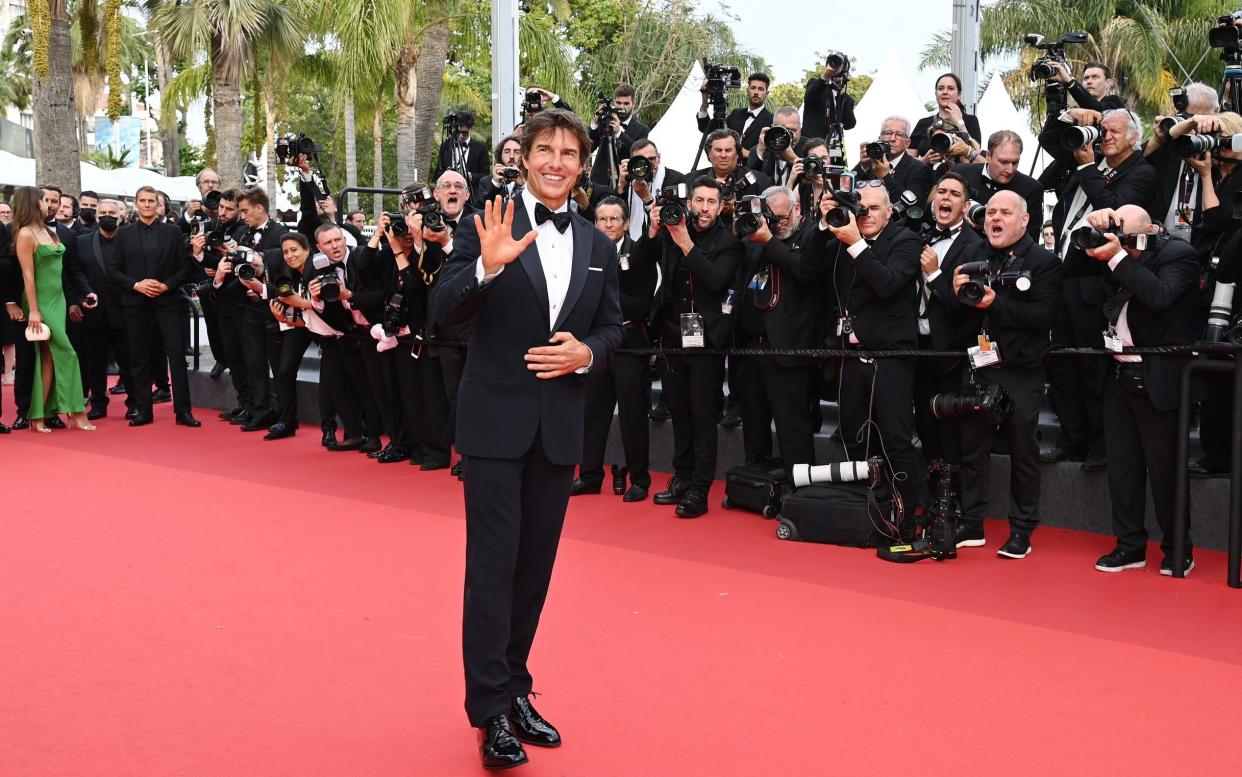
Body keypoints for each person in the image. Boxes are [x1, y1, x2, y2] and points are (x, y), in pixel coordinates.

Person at [428, 108, 623, 770]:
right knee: (492, 568)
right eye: (546, 149)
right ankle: (488, 710)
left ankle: (514, 687)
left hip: (558, 429)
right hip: (493, 424)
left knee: (533, 573)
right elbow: (441, 310)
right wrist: (483, 270)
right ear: (526, 156)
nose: (557, 161)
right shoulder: (490, 219)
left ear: (581, 163)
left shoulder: (599, 244)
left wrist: (587, 354)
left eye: (570, 152)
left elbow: (615, 327)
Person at [1063, 206, 1201, 575]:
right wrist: (1087, 230)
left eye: (1126, 233)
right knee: (1122, 471)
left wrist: (1119, 257)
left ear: (1150, 229)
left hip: (1159, 378)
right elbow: (1071, 268)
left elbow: (1158, 295)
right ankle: (1129, 546)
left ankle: (1177, 550)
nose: (1120, 240)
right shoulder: (1115, 252)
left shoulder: (1178, 255)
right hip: (1119, 376)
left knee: (1165, 471)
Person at [952, 191, 1062, 558]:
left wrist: (995, 303)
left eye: (1005, 213)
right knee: (972, 447)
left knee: (1023, 451)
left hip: (1021, 371)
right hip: (980, 366)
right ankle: (970, 523)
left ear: (1025, 220)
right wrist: (957, 295)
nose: (995, 219)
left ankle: (1022, 530)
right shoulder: (974, 257)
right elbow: (962, 316)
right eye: (991, 212)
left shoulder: (1044, 262)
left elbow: (1045, 317)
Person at [1044, 109, 1154, 470]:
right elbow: (1049, 143)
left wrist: (1089, 168)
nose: (1104, 136)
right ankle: (1071, 440)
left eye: (1113, 131)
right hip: (1063, 277)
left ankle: (1098, 446)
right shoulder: (1083, 164)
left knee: (1094, 368)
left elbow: (1112, 211)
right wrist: (1065, 116)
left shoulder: (1141, 173)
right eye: (1101, 130)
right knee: (1063, 364)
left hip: (1098, 280)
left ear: (1134, 137)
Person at [632, 177, 742, 517]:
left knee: (702, 415)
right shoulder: (671, 228)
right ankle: (682, 476)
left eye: (712, 202)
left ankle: (699, 489)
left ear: (721, 205)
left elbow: (714, 280)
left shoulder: (728, 242)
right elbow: (638, 264)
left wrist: (685, 242)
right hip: (671, 336)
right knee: (678, 411)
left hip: (707, 341)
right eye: (699, 201)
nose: (704, 208)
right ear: (690, 202)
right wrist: (652, 231)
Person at [735, 185, 826, 474]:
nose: (776, 222)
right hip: (752, 348)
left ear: (797, 209)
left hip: (791, 350)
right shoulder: (755, 239)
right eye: (770, 216)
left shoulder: (813, 235)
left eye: (782, 216)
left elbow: (803, 271)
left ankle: (799, 492)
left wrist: (769, 240)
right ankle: (758, 486)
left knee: (792, 428)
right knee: (754, 423)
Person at [573, 196, 656, 500]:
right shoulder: (584, 253)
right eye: (602, 220)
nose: (607, 225)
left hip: (629, 343)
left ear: (625, 223)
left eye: (613, 220)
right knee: (593, 412)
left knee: (633, 414)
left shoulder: (640, 254)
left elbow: (641, 306)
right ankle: (589, 476)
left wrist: (605, 288)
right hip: (594, 343)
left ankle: (640, 479)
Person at [107, 185, 200, 427]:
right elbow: (113, 270)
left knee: (177, 356)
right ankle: (143, 410)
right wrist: (136, 284)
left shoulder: (172, 232)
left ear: (158, 205)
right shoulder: (123, 234)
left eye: (151, 201)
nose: (147, 205)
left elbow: (185, 268)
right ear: (136, 204)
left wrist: (167, 285)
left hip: (168, 302)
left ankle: (183, 412)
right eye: (143, 201)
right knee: (139, 357)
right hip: (135, 304)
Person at [916, 172, 986, 468]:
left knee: (951, 428)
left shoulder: (976, 246)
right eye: (941, 191)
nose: (945, 197)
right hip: (916, 345)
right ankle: (931, 494)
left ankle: (952, 499)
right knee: (923, 422)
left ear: (966, 205)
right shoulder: (920, 234)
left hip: (952, 352)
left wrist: (934, 274)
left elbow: (966, 308)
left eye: (954, 194)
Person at [9, 186, 93, 432]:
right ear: (33, 204)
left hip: (59, 300)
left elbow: (68, 270)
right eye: (44, 200)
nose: (50, 204)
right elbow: (27, 275)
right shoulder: (25, 234)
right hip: (40, 301)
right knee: (68, 353)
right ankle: (77, 412)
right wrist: (33, 309)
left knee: (48, 358)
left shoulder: (50, 232)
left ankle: (38, 416)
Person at [76, 199, 136, 421]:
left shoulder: (131, 240)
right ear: (97, 215)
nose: (107, 216)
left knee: (129, 360)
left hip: (126, 310)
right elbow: (76, 272)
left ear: (121, 215)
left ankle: (135, 403)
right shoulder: (82, 242)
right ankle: (98, 404)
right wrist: (84, 294)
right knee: (95, 362)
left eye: (112, 212)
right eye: (103, 213)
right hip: (95, 311)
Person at [951, 131, 1044, 240]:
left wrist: (989, 228)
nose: (1010, 169)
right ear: (988, 155)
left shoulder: (1031, 188)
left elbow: (1030, 240)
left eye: (1015, 163)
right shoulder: (961, 173)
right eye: (1004, 162)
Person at [854, 116, 934, 206]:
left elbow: (913, 208)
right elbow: (845, 189)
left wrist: (885, 177)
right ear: (880, 137)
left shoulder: (920, 170)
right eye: (887, 133)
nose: (892, 139)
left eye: (899, 135)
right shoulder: (871, 162)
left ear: (908, 143)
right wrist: (863, 166)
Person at [698, 72, 772, 158]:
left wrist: (746, 153)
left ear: (766, 93)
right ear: (747, 91)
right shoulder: (736, 113)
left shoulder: (771, 120)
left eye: (760, 89)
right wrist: (704, 106)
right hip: (726, 170)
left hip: (753, 170)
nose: (756, 92)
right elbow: (705, 128)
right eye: (753, 88)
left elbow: (770, 156)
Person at [911, 73, 983, 157]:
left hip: (959, 170)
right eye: (941, 88)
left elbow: (976, 154)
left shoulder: (970, 120)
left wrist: (959, 121)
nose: (945, 92)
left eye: (950, 88)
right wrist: (924, 160)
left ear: (959, 95)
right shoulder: (923, 123)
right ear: (936, 94)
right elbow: (908, 158)